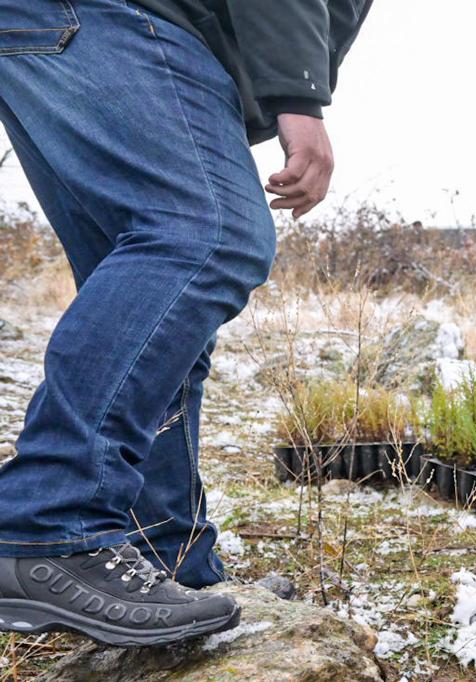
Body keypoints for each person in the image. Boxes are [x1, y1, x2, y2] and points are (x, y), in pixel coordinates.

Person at [0, 0, 370, 646]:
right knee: (210, 234)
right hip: (108, 15)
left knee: (160, 310)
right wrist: (298, 99)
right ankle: (49, 520)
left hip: (59, 25)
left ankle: (168, 562)